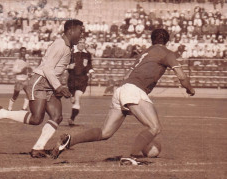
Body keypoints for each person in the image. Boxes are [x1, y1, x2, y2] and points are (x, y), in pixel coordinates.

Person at [52, 29, 195, 165]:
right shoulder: (167, 53)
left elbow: (127, 75)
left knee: (105, 132)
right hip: (133, 90)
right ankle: (131, 156)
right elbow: (182, 77)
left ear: (152, 40)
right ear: (167, 41)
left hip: (122, 89)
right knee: (154, 127)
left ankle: (70, 140)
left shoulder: (145, 53)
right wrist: (190, 89)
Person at [0, 19, 84, 158]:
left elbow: (56, 69)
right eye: (80, 31)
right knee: (36, 119)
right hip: (40, 81)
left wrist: (59, 85)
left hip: (50, 84)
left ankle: (38, 148)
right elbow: (48, 69)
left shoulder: (67, 46)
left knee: (57, 117)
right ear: (70, 31)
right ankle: (1, 113)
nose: (82, 34)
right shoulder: (59, 45)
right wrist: (59, 87)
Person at [67, 38, 94, 126]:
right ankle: (71, 95)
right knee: (74, 98)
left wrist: (91, 71)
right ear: (77, 44)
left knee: (77, 99)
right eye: (80, 42)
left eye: (83, 43)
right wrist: (68, 66)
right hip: (72, 79)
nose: (82, 44)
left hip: (82, 79)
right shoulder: (71, 53)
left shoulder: (87, 54)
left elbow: (89, 65)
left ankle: (72, 119)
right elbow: (64, 63)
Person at [8, 47, 31, 111]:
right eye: (22, 51)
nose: (23, 53)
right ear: (20, 52)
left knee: (29, 94)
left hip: (25, 80)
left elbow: (27, 69)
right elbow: (14, 70)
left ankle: (24, 108)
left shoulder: (27, 61)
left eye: (24, 51)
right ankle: (9, 108)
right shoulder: (17, 61)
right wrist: (21, 70)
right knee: (15, 95)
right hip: (19, 80)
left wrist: (29, 73)